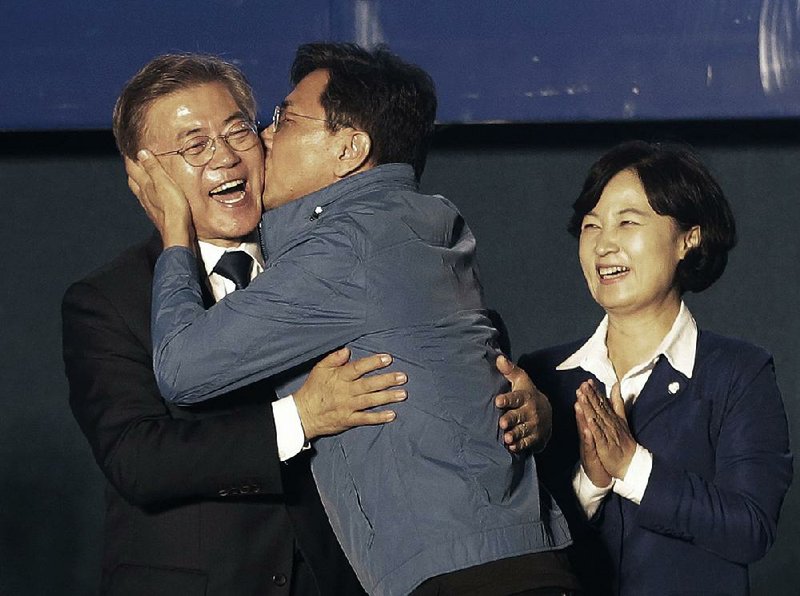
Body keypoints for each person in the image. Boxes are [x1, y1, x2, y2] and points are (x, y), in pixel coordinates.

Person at [63, 53, 546, 596]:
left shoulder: (330, 251)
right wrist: (299, 417)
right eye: (195, 144)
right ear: (146, 175)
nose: (224, 156)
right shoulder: (107, 300)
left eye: (238, 130)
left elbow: (450, 332)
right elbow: (140, 460)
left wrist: (519, 403)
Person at [521, 141, 793, 595]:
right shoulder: (543, 376)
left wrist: (632, 467)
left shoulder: (738, 373)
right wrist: (589, 483)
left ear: (689, 238)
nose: (604, 243)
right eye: (591, 226)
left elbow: (750, 529)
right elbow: (515, 548)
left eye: (628, 221)